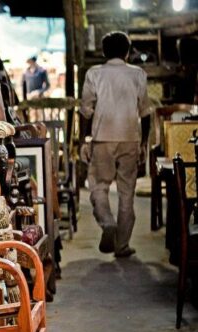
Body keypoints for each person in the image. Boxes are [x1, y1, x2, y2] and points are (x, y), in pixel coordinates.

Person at [79, 31, 152, 258]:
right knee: (127, 191)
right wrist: (144, 143)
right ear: (128, 52)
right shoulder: (138, 74)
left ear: (104, 52)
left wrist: (84, 139)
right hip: (130, 137)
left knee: (99, 186)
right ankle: (122, 245)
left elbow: (86, 110)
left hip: (103, 137)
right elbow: (146, 112)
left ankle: (108, 223)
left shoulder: (95, 73)